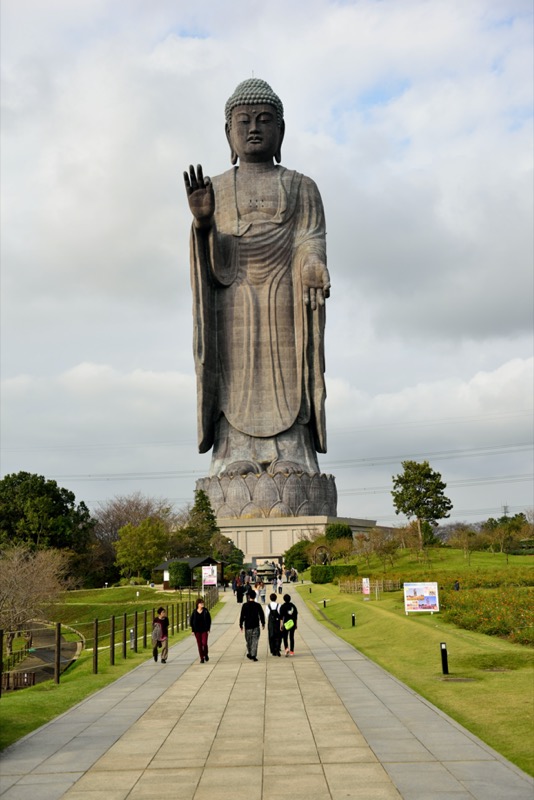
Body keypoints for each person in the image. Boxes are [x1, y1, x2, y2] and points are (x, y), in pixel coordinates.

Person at [184, 78, 330, 479]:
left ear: (280, 131)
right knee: (233, 374)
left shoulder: (302, 187)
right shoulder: (215, 187)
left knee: (289, 371)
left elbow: (309, 238)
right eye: (244, 121)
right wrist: (202, 224)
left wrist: (313, 263)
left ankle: (293, 452)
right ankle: (234, 452)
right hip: (234, 301)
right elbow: (215, 263)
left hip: (285, 295)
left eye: (264, 120)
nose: (253, 128)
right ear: (228, 133)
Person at [239, 589, 265, 661]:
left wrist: (240, 624)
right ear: (255, 596)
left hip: (248, 626)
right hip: (256, 625)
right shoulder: (257, 605)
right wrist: (263, 623)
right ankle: (252, 654)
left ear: (248, 596)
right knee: (255, 641)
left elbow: (242, 616)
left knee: (249, 640)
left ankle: (251, 653)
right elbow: (261, 614)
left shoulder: (245, 605)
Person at [190, 597, 212, 663]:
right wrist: (193, 630)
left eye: (202, 603)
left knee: (204, 643)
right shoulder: (194, 612)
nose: (202, 604)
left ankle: (205, 654)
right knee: (199, 645)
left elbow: (209, 620)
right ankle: (201, 658)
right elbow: (191, 621)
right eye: (201, 603)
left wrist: (208, 629)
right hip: (197, 631)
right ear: (198, 604)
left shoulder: (205, 611)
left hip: (204, 630)